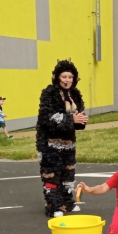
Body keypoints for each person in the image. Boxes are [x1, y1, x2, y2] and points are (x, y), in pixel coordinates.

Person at [36, 58, 88, 217]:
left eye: (70, 77)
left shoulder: (75, 94)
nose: (67, 80)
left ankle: (67, 203)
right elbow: (48, 118)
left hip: (68, 143)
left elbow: (78, 117)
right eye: (64, 77)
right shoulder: (49, 93)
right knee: (52, 175)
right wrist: (71, 119)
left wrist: (80, 121)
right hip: (49, 144)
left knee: (68, 175)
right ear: (57, 77)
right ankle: (53, 206)